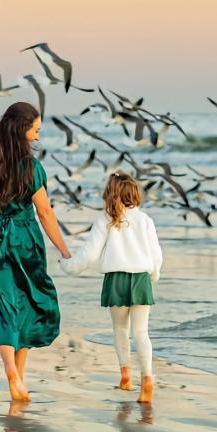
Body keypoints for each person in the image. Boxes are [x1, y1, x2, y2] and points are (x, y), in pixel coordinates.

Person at [0, 101, 73, 402]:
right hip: (25, 237)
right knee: (29, 301)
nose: (36, 137)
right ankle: (17, 377)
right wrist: (64, 250)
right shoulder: (31, 167)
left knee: (3, 304)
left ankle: (14, 374)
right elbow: (45, 212)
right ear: (22, 129)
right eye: (35, 130)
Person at [58, 172, 163, 403]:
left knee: (120, 329)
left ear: (110, 193)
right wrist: (153, 275)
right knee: (141, 332)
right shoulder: (145, 220)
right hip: (141, 279)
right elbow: (156, 254)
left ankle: (125, 375)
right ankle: (147, 379)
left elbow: (89, 254)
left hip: (116, 279)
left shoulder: (105, 219)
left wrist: (68, 266)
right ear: (135, 194)